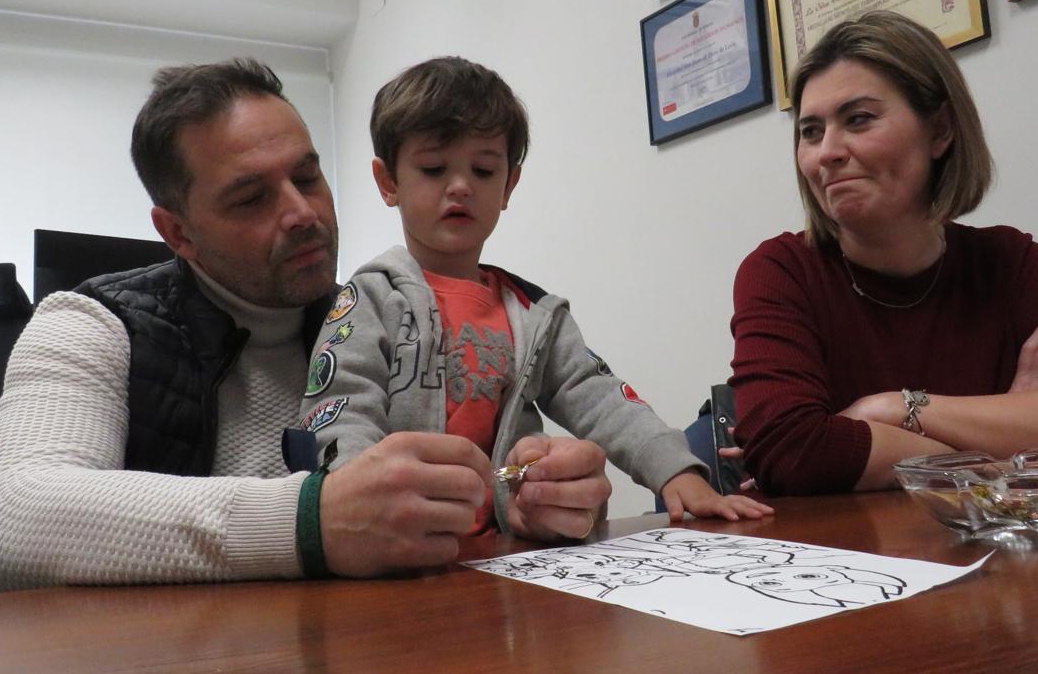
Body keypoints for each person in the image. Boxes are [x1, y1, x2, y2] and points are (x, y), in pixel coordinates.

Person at [0, 59, 546, 590]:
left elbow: (473, 490)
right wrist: (312, 521)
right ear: (178, 233)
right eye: (250, 198)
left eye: (308, 176)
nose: (302, 213)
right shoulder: (90, 325)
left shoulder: (390, 322)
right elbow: (11, 521)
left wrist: (528, 494)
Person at [298, 56, 771, 544]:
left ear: (509, 185)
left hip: (512, 556)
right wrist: (358, 499)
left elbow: (603, 399)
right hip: (396, 553)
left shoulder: (533, 314)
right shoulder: (369, 299)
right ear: (388, 182)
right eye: (434, 168)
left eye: (483, 170)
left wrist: (676, 473)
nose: (460, 186)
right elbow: (340, 409)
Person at [730, 11, 1038, 496]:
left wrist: (893, 409)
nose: (826, 151)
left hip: (1001, 558)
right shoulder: (781, 271)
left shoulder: (1011, 263)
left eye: (859, 119)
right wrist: (1007, 453)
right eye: (810, 131)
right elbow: (793, 450)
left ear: (940, 132)